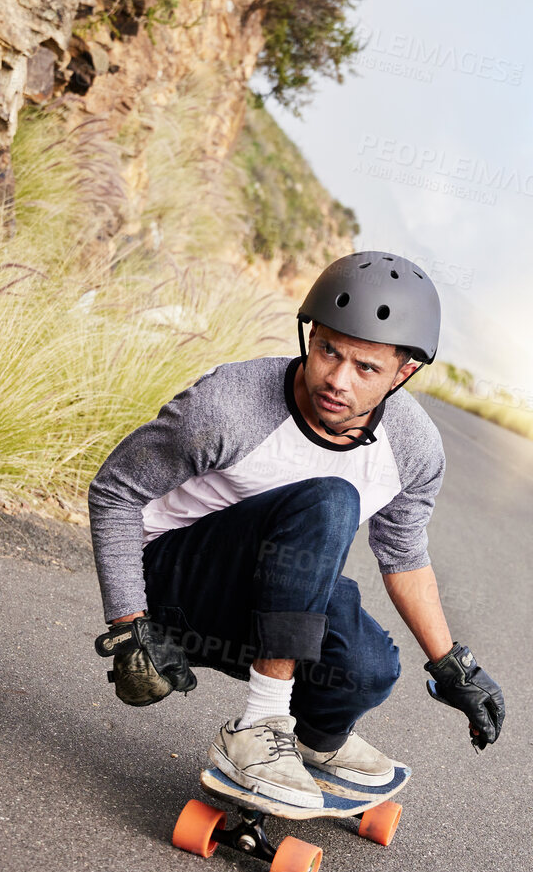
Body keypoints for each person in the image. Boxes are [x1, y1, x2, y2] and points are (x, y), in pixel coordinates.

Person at [87, 251, 506, 809]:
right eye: (329, 350)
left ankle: (317, 744)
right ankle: (260, 728)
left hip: (265, 605)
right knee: (332, 502)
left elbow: (403, 554)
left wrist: (454, 666)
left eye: (366, 368)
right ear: (309, 334)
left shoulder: (413, 449)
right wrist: (129, 626)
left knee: (369, 667)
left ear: (403, 373)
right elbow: (115, 490)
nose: (336, 379)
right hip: (170, 587)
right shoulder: (229, 406)